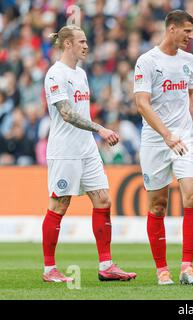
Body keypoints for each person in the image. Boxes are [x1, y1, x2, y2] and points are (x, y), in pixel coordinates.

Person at [42, 25, 136, 282]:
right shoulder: (55, 74)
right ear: (68, 44)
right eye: (82, 41)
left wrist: (95, 133)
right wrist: (100, 128)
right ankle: (49, 269)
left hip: (87, 149)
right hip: (65, 151)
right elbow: (66, 113)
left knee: (103, 200)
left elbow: (80, 111)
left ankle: (106, 265)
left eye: (86, 41)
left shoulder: (81, 74)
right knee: (60, 204)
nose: (86, 45)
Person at [134, 10, 193, 286]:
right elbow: (142, 103)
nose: (191, 36)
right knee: (158, 205)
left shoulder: (189, 60)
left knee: (192, 196)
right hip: (156, 140)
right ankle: (161, 269)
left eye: (192, 31)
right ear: (172, 29)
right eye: (187, 31)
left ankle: (188, 266)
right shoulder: (147, 61)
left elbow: (188, 94)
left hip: (185, 137)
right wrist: (165, 134)